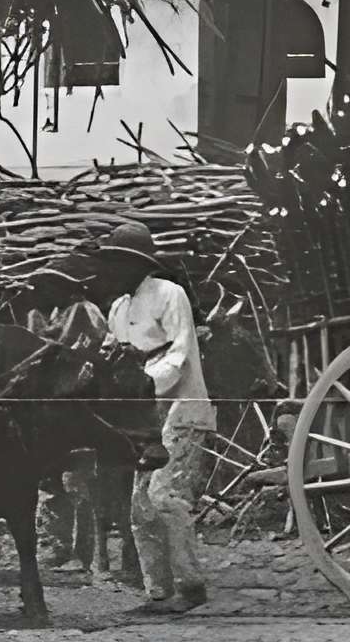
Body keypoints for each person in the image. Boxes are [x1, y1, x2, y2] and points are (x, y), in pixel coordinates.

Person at [94, 220, 212, 614]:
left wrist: (141, 382)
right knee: (140, 506)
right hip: (143, 419)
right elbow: (112, 354)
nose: (112, 273)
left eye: (119, 264)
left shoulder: (168, 294)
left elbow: (178, 355)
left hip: (180, 408)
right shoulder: (118, 309)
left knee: (166, 496)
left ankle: (190, 585)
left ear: (136, 264)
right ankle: (158, 591)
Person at [23, 252, 110, 576]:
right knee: (52, 481)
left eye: (51, 285)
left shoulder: (83, 313)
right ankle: (56, 547)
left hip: (78, 405)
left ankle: (83, 553)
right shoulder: (55, 313)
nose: (45, 292)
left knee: (78, 484)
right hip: (52, 408)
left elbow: (78, 355)